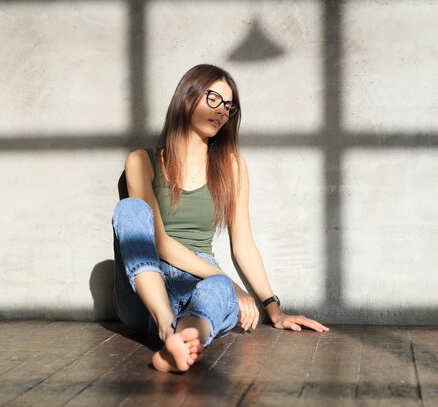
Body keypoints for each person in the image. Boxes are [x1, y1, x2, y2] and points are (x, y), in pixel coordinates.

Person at [112, 64, 328, 373]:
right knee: (129, 210)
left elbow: (243, 244)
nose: (222, 111)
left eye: (228, 106)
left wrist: (274, 308)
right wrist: (229, 280)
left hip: (199, 276)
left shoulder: (234, 168)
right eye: (213, 99)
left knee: (220, 292)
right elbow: (158, 242)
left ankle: (183, 342)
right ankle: (166, 330)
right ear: (187, 98)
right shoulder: (141, 160)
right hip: (144, 285)